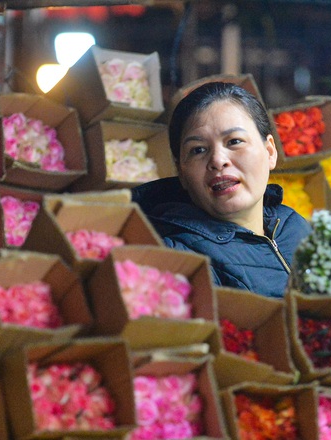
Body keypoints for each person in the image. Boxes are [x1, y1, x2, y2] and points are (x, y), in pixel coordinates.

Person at [132, 81, 311, 298]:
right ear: (181, 172)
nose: (218, 160)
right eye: (198, 150)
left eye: (234, 141)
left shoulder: (294, 224)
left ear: (270, 151)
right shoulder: (181, 260)